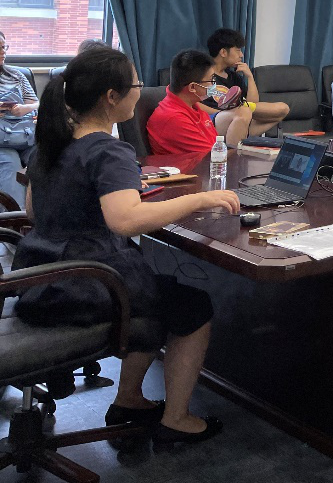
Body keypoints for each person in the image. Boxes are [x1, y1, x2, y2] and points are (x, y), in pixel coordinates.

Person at [16, 47, 239, 446]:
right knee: (191, 306)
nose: (140, 90)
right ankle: (176, 419)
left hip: (41, 281)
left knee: (157, 289)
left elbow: (35, 212)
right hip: (86, 285)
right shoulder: (108, 150)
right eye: (136, 84)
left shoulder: (50, 144)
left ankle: (130, 399)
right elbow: (126, 220)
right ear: (111, 97)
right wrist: (201, 199)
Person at [203, 28, 290, 143]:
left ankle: (240, 131)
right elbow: (193, 104)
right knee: (243, 112)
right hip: (215, 121)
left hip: (240, 118)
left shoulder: (234, 77)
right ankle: (237, 141)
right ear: (223, 52)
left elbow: (254, 104)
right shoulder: (203, 74)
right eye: (238, 50)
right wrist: (223, 113)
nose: (241, 55)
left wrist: (250, 77)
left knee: (283, 109)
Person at [147, 50, 224, 156]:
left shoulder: (194, 107)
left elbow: (215, 148)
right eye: (211, 80)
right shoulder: (173, 119)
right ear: (192, 87)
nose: (213, 84)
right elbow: (213, 157)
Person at [0, 31, 38, 205]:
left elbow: (37, 104)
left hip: (26, 135)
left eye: (4, 47)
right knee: (10, 165)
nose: (3, 52)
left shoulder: (17, 75)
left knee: (46, 160)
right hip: (2, 144)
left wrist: (24, 109)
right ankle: (15, 217)